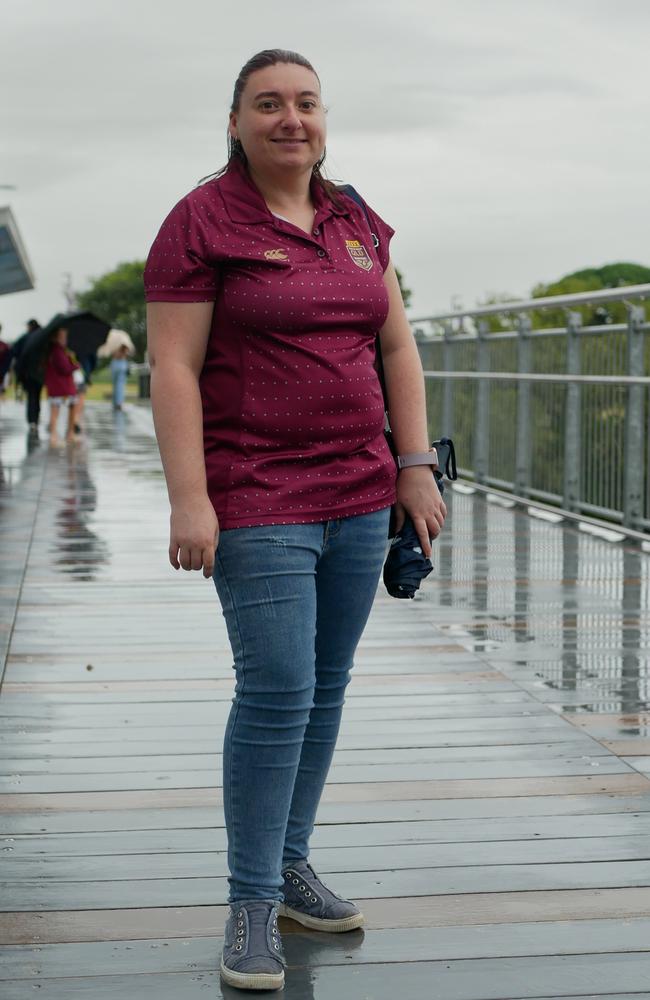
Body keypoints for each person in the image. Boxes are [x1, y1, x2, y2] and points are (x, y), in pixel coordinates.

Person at [144, 49, 446, 993]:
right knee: (276, 690)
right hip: (258, 495)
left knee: (324, 685)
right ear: (234, 121)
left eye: (306, 104)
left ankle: (289, 866)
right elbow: (174, 369)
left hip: (360, 495)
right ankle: (247, 901)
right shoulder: (202, 222)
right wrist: (191, 497)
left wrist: (414, 468)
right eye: (268, 104)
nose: (291, 120)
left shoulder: (356, 220)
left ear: (325, 118)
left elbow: (394, 342)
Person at [44, 322, 79, 446]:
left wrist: (70, 358)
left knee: (56, 410)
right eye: (62, 337)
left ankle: (60, 434)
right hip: (62, 386)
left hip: (57, 386)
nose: (64, 339)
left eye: (65, 337)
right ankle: (64, 433)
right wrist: (75, 364)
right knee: (66, 408)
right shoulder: (58, 352)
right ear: (55, 338)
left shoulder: (56, 351)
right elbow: (65, 369)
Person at [12, 319, 44, 433]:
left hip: (28, 373)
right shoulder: (43, 338)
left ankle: (32, 420)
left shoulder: (25, 338)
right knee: (37, 396)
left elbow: (14, 350)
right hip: (40, 373)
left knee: (31, 396)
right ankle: (36, 417)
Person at [109, 344, 129, 410]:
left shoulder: (114, 345)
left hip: (115, 364)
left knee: (116, 385)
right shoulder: (124, 345)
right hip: (121, 364)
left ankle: (116, 403)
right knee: (120, 385)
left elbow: (113, 354)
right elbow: (126, 354)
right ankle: (118, 403)